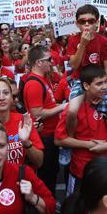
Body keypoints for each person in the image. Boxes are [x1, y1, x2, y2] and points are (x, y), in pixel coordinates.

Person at [55, 64, 107, 193]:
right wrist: (89, 144)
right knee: (77, 206)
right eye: (99, 84)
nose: (104, 87)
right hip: (82, 169)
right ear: (86, 86)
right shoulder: (72, 109)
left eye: (105, 82)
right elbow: (59, 140)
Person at [65, 5, 107, 138]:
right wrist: (83, 44)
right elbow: (73, 64)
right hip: (80, 80)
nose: (87, 24)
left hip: (99, 81)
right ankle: (69, 143)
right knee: (71, 112)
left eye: (91, 21)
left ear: (96, 22)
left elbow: (106, 64)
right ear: (77, 24)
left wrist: (103, 85)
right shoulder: (73, 40)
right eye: (82, 21)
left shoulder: (103, 41)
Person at [23, 45, 66, 194]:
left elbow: (47, 105)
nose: (52, 62)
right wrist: (63, 107)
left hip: (49, 134)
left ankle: (50, 202)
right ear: (39, 62)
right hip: (44, 137)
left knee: (51, 171)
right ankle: (47, 206)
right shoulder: (34, 83)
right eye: (49, 59)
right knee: (46, 174)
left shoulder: (41, 79)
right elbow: (37, 113)